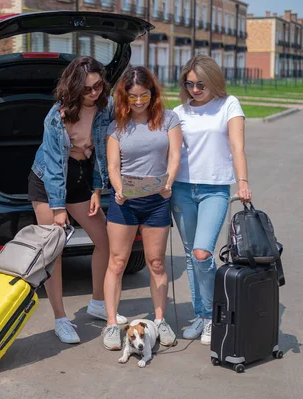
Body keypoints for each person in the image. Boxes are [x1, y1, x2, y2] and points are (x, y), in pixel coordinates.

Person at [29, 56, 127, 344]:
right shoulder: (56, 117)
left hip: (81, 179)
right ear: (73, 89)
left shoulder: (104, 107)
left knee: (106, 240)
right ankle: (61, 319)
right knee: (54, 253)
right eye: (87, 89)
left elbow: (101, 151)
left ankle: (98, 303)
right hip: (48, 183)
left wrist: (97, 189)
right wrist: (59, 209)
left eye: (98, 86)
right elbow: (54, 165)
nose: (94, 93)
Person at [171, 55, 252, 345]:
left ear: (213, 80)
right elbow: (171, 154)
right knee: (193, 256)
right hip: (181, 189)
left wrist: (242, 182)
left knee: (203, 254)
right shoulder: (178, 112)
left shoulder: (228, 104)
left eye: (200, 84)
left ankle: (213, 311)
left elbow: (236, 146)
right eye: (189, 84)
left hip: (215, 189)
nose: (194, 89)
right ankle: (204, 316)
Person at [101, 66, 183, 351]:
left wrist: (169, 182)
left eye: (144, 95)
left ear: (153, 93)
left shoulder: (169, 119)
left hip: (157, 201)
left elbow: (174, 156)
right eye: (133, 96)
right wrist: (118, 187)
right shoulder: (116, 126)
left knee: (157, 263)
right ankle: (112, 324)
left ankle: (159, 320)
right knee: (117, 262)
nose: (138, 102)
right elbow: (113, 166)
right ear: (124, 96)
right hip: (124, 203)